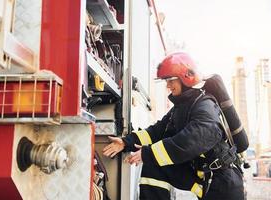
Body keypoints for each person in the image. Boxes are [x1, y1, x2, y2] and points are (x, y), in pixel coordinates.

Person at [103, 52, 244, 200]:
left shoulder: (205, 106)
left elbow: (191, 141)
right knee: (154, 165)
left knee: (153, 158)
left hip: (224, 184)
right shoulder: (183, 107)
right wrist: (126, 142)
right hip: (207, 178)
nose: (168, 86)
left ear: (186, 78)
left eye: (170, 80)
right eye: (166, 81)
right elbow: (157, 131)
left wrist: (148, 154)